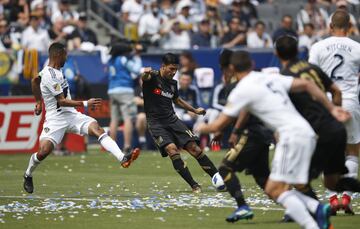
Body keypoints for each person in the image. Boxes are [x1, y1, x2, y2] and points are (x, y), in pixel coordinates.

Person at [196, 50, 350, 229]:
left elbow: (216, 126)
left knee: (275, 189)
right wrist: (332, 108)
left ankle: (316, 212)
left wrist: (201, 127)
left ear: (231, 68)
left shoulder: (242, 89)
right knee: (284, 185)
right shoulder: (268, 78)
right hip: (305, 132)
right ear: (252, 64)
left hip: (291, 137)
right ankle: (316, 209)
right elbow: (307, 84)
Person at [23, 42, 140, 194]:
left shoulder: (54, 71)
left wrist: (38, 101)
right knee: (44, 151)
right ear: (58, 55)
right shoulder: (50, 75)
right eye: (65, 55)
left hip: (71, 115)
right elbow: (62, 101)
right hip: (55, 119)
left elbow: (34, 81)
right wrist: (86, 103)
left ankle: (122, 158)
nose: (66, 57)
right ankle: (28, 174)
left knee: (96, 127)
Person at [276, 35, 360, 218]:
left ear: (276, 53)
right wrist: (334, 111)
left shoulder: (286, 76)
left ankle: (299, 211)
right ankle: (345, 196)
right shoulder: (311, 69)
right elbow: (335, 90)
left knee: (295, 170)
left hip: (314, 125)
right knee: (333, 178)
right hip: (339, 116)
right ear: (297, 51)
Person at [197, 49, 273, 222]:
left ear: (227, 68)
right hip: (264, 133)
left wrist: (226, 130)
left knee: (224, 168)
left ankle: (242, 206)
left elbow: (241, 112)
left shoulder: (234, 86)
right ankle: (297, 207)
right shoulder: (256, 80)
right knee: (262, 177)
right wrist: (223, 131)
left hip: (251, 133)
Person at [141, 53, 218, 193]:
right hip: (156, 123)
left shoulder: (173, 83)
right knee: (172, 149)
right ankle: (194, 185)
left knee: (195, 149)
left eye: (175, 69)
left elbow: (177, 100)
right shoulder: (152, 77)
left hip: (173, 120)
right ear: (163, 67)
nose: (173, 72)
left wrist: (195, 110)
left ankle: (218, 178)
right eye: (171, 69)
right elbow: (144, 78)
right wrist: (145, 73)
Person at [309, 9, 360, 215]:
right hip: (349, 103)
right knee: (352, 151)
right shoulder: (357, 47)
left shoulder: (318, 47)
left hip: (325, 104)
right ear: (350, 27)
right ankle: (346, 198)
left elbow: (310, 76)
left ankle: (332, 200)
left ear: (330, 26)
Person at [107, 42, 142, 154]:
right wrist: (137, 57)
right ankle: (127, 146)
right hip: (125, 90)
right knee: (128, 118)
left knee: (114, 119)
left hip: (112, 90)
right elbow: (136, 70)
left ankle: (111, 146)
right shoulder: (123, 59)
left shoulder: (110, 60)